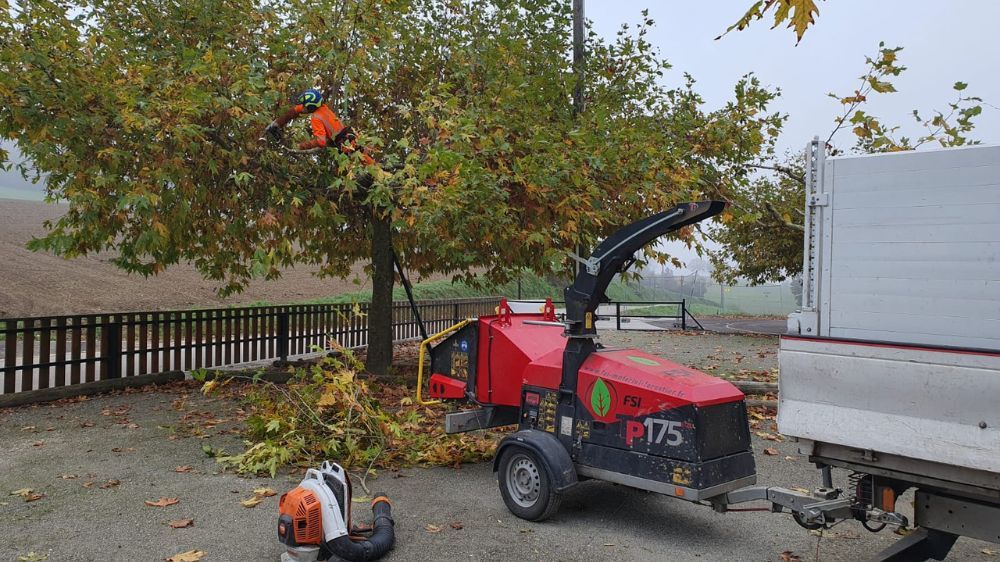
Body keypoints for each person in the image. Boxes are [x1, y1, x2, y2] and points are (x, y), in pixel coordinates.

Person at [264, 88, 374, 165]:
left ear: (310, 106)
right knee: (368, 158)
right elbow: (299, 109)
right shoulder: (323, 107)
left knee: (365, 167)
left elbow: (321, 141)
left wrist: (301, 146)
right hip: (352, 137)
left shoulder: (316, 118)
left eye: (305, 106)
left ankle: (382, 177)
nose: (302, 108)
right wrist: (278, 123)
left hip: (346, 146)